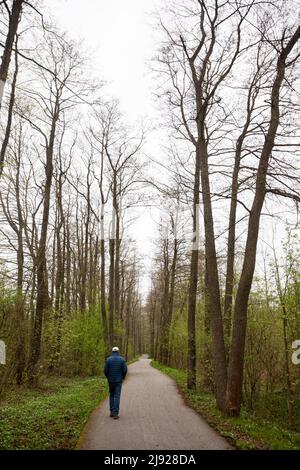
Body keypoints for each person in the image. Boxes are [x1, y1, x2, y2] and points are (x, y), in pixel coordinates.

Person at [104, 346, 128, 419]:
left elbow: (105, 371)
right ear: (118, 351)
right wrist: (123, 377)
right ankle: (115, 413)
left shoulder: (108, 359)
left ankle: (111, 411)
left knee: (111, 395)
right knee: (117, 396)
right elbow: (125, 370)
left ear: (112, 352)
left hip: (111, 381)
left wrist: (108, 377)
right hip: (118, 381)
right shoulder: (122, 359)